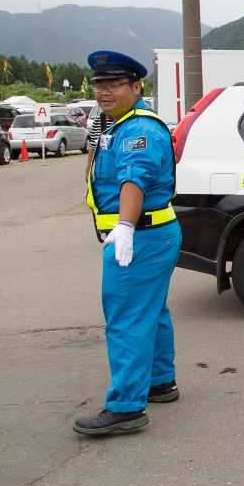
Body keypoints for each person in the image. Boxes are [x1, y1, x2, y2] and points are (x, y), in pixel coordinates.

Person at [73, 51, 181, 437]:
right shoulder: (114, 123)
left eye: (114, 85)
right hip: (151, 233)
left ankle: (126, 407)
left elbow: (133, 179)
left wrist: (124, 226)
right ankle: (159, 381)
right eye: (99, 85)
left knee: (126, 318)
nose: (104, 92)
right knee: (150, 310)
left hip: (140, 234)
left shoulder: (138, 129)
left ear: (137, 87)